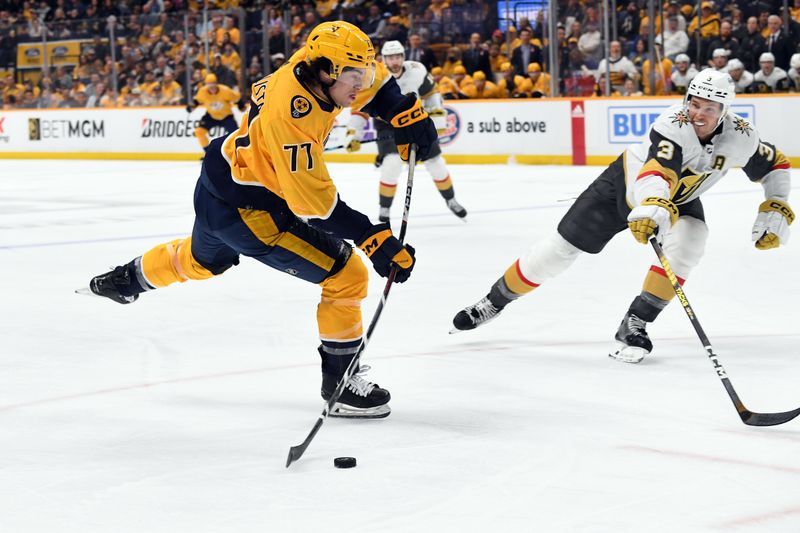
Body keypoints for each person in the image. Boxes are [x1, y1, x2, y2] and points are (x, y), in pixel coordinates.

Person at [86, 22, 438, 419]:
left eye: (364, 73)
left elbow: (365, 85)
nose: (361, 84)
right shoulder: (291, 120)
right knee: (347, 275)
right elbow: (315, 206)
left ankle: (126, 279)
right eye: (353, 76)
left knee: (202, 261)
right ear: (326, 72)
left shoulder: (307, 64)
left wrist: (401, 110)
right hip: (253, 213)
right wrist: (371, 238)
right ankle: (340, 385)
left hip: (219, 183)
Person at [451, 70, 793, 365]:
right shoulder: (673, 124)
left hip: (679, 199)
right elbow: (658, 171)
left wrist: (775, 206)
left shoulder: (742, 136)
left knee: (691, 242)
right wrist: (653, 206)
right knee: (556, 253)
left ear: (725, 111)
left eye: (709, 107)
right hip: (626, 187)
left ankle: (635, 321)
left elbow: (776, 164)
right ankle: (493, 302)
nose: (698, 113)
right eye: (694, 102)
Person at [347, 40, 467, 222]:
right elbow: (359, 108)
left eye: (397, 57)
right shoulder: (373, 76)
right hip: (388, 126)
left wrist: (436, 112)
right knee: (392, 164)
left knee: (436, 162)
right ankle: (385, 208)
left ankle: (451, 199)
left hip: (415, 120)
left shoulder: (416, 70)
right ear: (383, 59)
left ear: (403, 57)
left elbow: (431, 92)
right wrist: (353, 134)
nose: (394, 62)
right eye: (390, 58)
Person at [187, 73, 243, 152]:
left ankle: (236, 152)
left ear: (216, 83)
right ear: (206, 85)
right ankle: (208, 152)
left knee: (235, 135)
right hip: (211, 116)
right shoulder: (202, 91)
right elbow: (197, 101)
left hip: (226, 116)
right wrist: (191, 107)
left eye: (213, 85)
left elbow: (236, 98)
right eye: (209, 85)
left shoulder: (225, 90)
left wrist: (241, 106)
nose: (212, 88)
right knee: (199, 131)